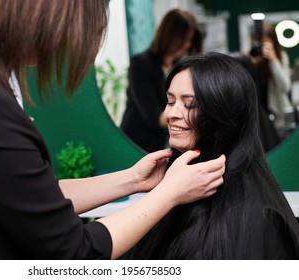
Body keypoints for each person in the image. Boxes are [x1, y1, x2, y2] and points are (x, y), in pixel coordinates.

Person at [0, 0, 226, 260]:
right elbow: (75, 254)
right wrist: (168, 193)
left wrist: (132, 180)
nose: (67, 45)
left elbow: (33, 199)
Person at [127, 52, 299, 259]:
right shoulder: (175, 186)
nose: (171, 114)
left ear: (224, 111)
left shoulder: (256, 216)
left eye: (190, 104)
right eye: (170, 101)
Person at [120, 8, 202, 153]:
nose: (187, 45)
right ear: (169, 35)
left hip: (161, 142)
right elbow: (153, 116)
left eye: (190, 40)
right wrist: (197, 118)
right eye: (184, 39)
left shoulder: (179, 67)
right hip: (135, 144)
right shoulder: (140, 64)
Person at [249, 22, 293, 133]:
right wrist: (251, 63)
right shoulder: (253, 58)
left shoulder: (281, 57)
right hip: (259, 118)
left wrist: (273, 60)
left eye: (267, 43)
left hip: (279, 118)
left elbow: (285, 87)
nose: (264, 47)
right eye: (261, 43)